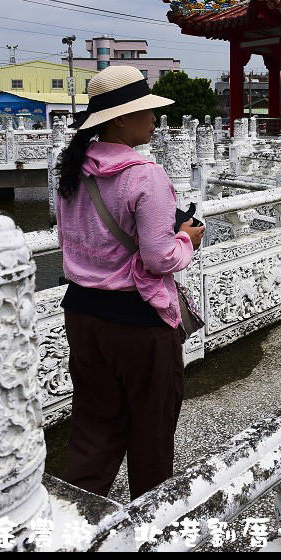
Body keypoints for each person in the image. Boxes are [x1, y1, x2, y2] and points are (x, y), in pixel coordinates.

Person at [54, 65, 204, 500]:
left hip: (82, 313)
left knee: (94, 427)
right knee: (151, 433)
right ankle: (148, 526)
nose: (153, 119)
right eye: (146, 110)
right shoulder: (145, 175)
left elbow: (71, 240)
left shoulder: (72, 170)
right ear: (119, 118)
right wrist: (187, 238)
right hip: (136, 321)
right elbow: (160, 259)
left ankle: (76, 525)